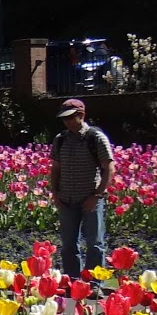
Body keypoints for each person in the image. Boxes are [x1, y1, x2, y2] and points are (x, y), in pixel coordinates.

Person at [48, 98, 115, 278]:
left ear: (82, 115)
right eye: (64, 118)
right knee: (69, 244)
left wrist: (97, 195)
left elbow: (109, 168)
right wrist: (55, 192)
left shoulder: (95, 138)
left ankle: (94, 282)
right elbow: (56, 168)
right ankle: (72, 281)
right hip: (66, 199)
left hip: (90, 199)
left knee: (94, 244)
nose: (67, 122)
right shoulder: (60, 139)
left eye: (70, 117)